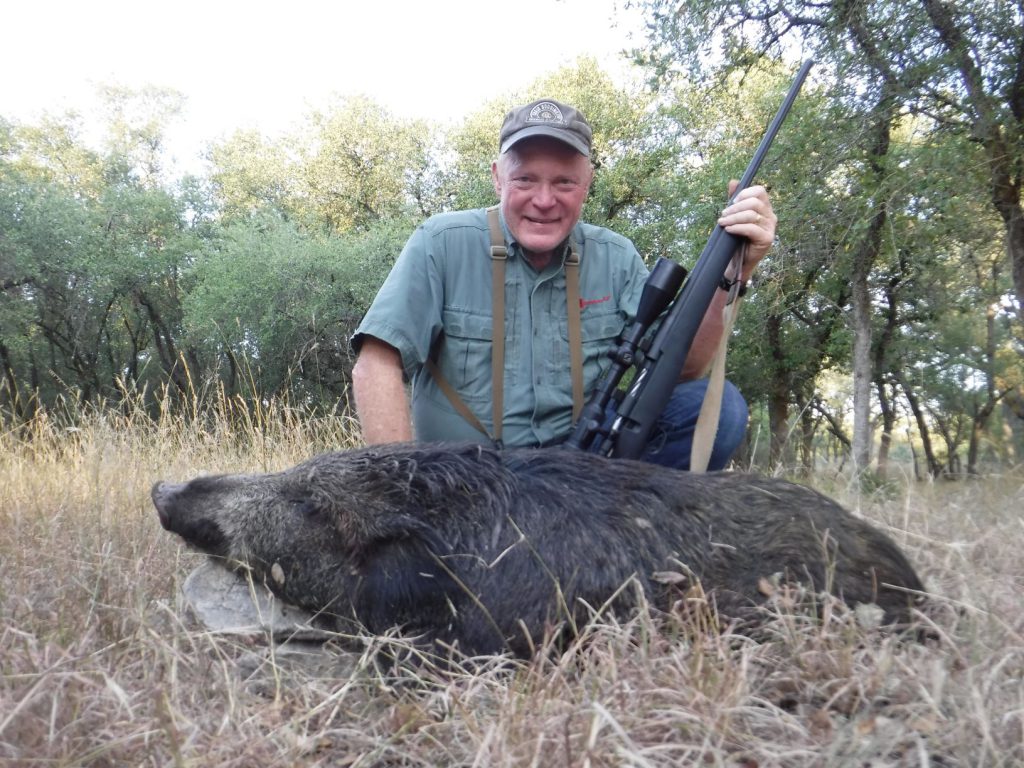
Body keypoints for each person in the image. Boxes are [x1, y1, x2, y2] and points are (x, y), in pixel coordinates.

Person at [350, 98, 776, 470]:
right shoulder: (440, 243)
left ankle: (630, 534)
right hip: (468, 482)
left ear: (587, 184)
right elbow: (376, 364)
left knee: (717, 409)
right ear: (498, 178)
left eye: (564, 182)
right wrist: (402, 491)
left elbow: (683, 369)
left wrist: (737, 267)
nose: (544, 200)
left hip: (580, 476)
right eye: (525, 180)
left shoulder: (616, 255)